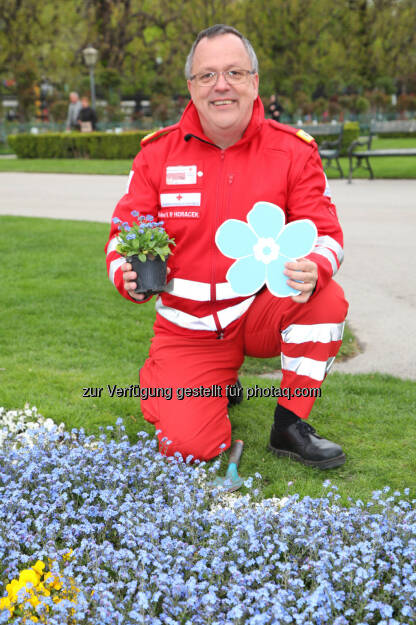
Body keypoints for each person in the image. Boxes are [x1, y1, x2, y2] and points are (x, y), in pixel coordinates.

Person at [105, 24, 348, 468]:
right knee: (189, 449)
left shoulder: (293, 151)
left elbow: (326, 233)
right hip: (189, 328)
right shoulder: (156, 154)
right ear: (191, 86)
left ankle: (290, 424)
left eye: (235, 72)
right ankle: (171, 380)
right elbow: (123, 234)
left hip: (257, 310)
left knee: (325, 300)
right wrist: (127, 275)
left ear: (254, 82)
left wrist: (316, 266)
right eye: (208, 75)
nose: (222, 85)